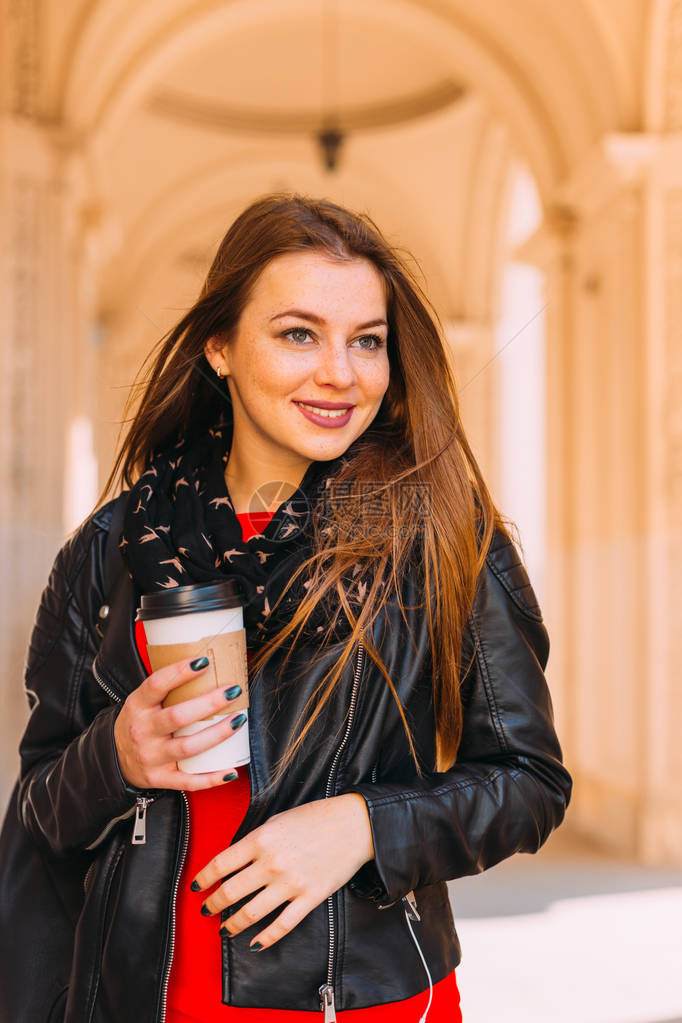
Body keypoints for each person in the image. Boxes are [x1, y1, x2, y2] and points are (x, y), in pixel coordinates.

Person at [2, 193, 572, 1022]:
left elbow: (530, 782)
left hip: (364, 1001)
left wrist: (365, 826)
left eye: (367, 341)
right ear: (221, 346)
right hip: (143, 996)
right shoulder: (112, 547)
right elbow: (40, 810)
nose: (340, 372)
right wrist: (114, 756)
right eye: (298, 332)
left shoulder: (444, 534)